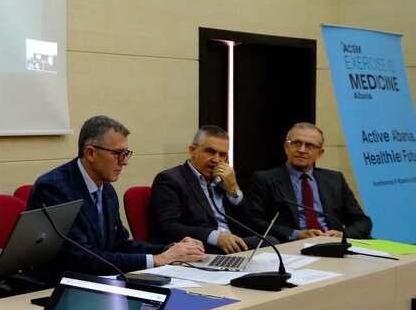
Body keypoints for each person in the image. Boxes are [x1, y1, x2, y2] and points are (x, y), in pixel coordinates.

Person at [26, 115, 206, 282]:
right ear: (91, 153)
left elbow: (119, 245)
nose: (125, 161)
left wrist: (169, 249)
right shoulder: (54, 187)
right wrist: (157, 260)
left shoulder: (107, 189)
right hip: (57, 286)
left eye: (126, 153)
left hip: (99, 281)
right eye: (117, 153)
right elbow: (81, 258)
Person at [246, 122, 372, 243]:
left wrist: (343, 235)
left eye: (310, 146)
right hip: (290, 246)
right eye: (296, 143)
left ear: (320, 153)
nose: (302, 150)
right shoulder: (265, 179)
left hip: (332, 244)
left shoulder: (335, 179)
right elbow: (254, 221)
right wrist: (296, 234)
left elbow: (362, 221)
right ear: (286, 147)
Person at [150, 125, 261, 253]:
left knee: (271, 241)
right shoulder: (170, 179)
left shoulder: (224, 181)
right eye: (210, 151)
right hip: (201, 247)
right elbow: (169, 228)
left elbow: (246, 227)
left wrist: (234, 190)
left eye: (222, 155)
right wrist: (216, 237)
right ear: (193, 150)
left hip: (232, 244)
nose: (216, 160)